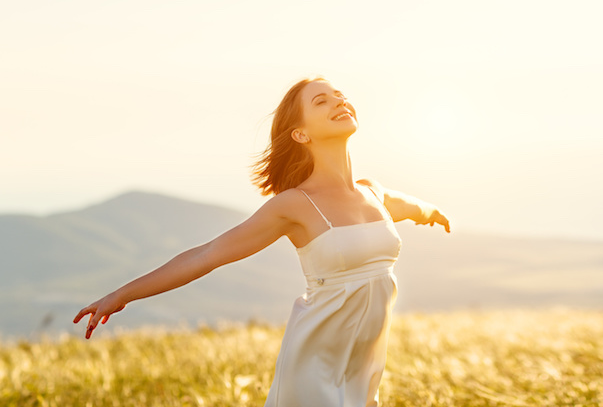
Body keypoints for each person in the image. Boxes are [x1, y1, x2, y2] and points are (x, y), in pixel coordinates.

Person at [73, 76, 451, 406]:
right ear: (301, 134)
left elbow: (410, 207)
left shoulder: (374, 193)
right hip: (314, 363)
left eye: (339, 94)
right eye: (322, 101)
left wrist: (430, 212)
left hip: (364, 362)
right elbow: (207, 254)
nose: (339, 100)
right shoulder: (294, 205)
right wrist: (122, 295)